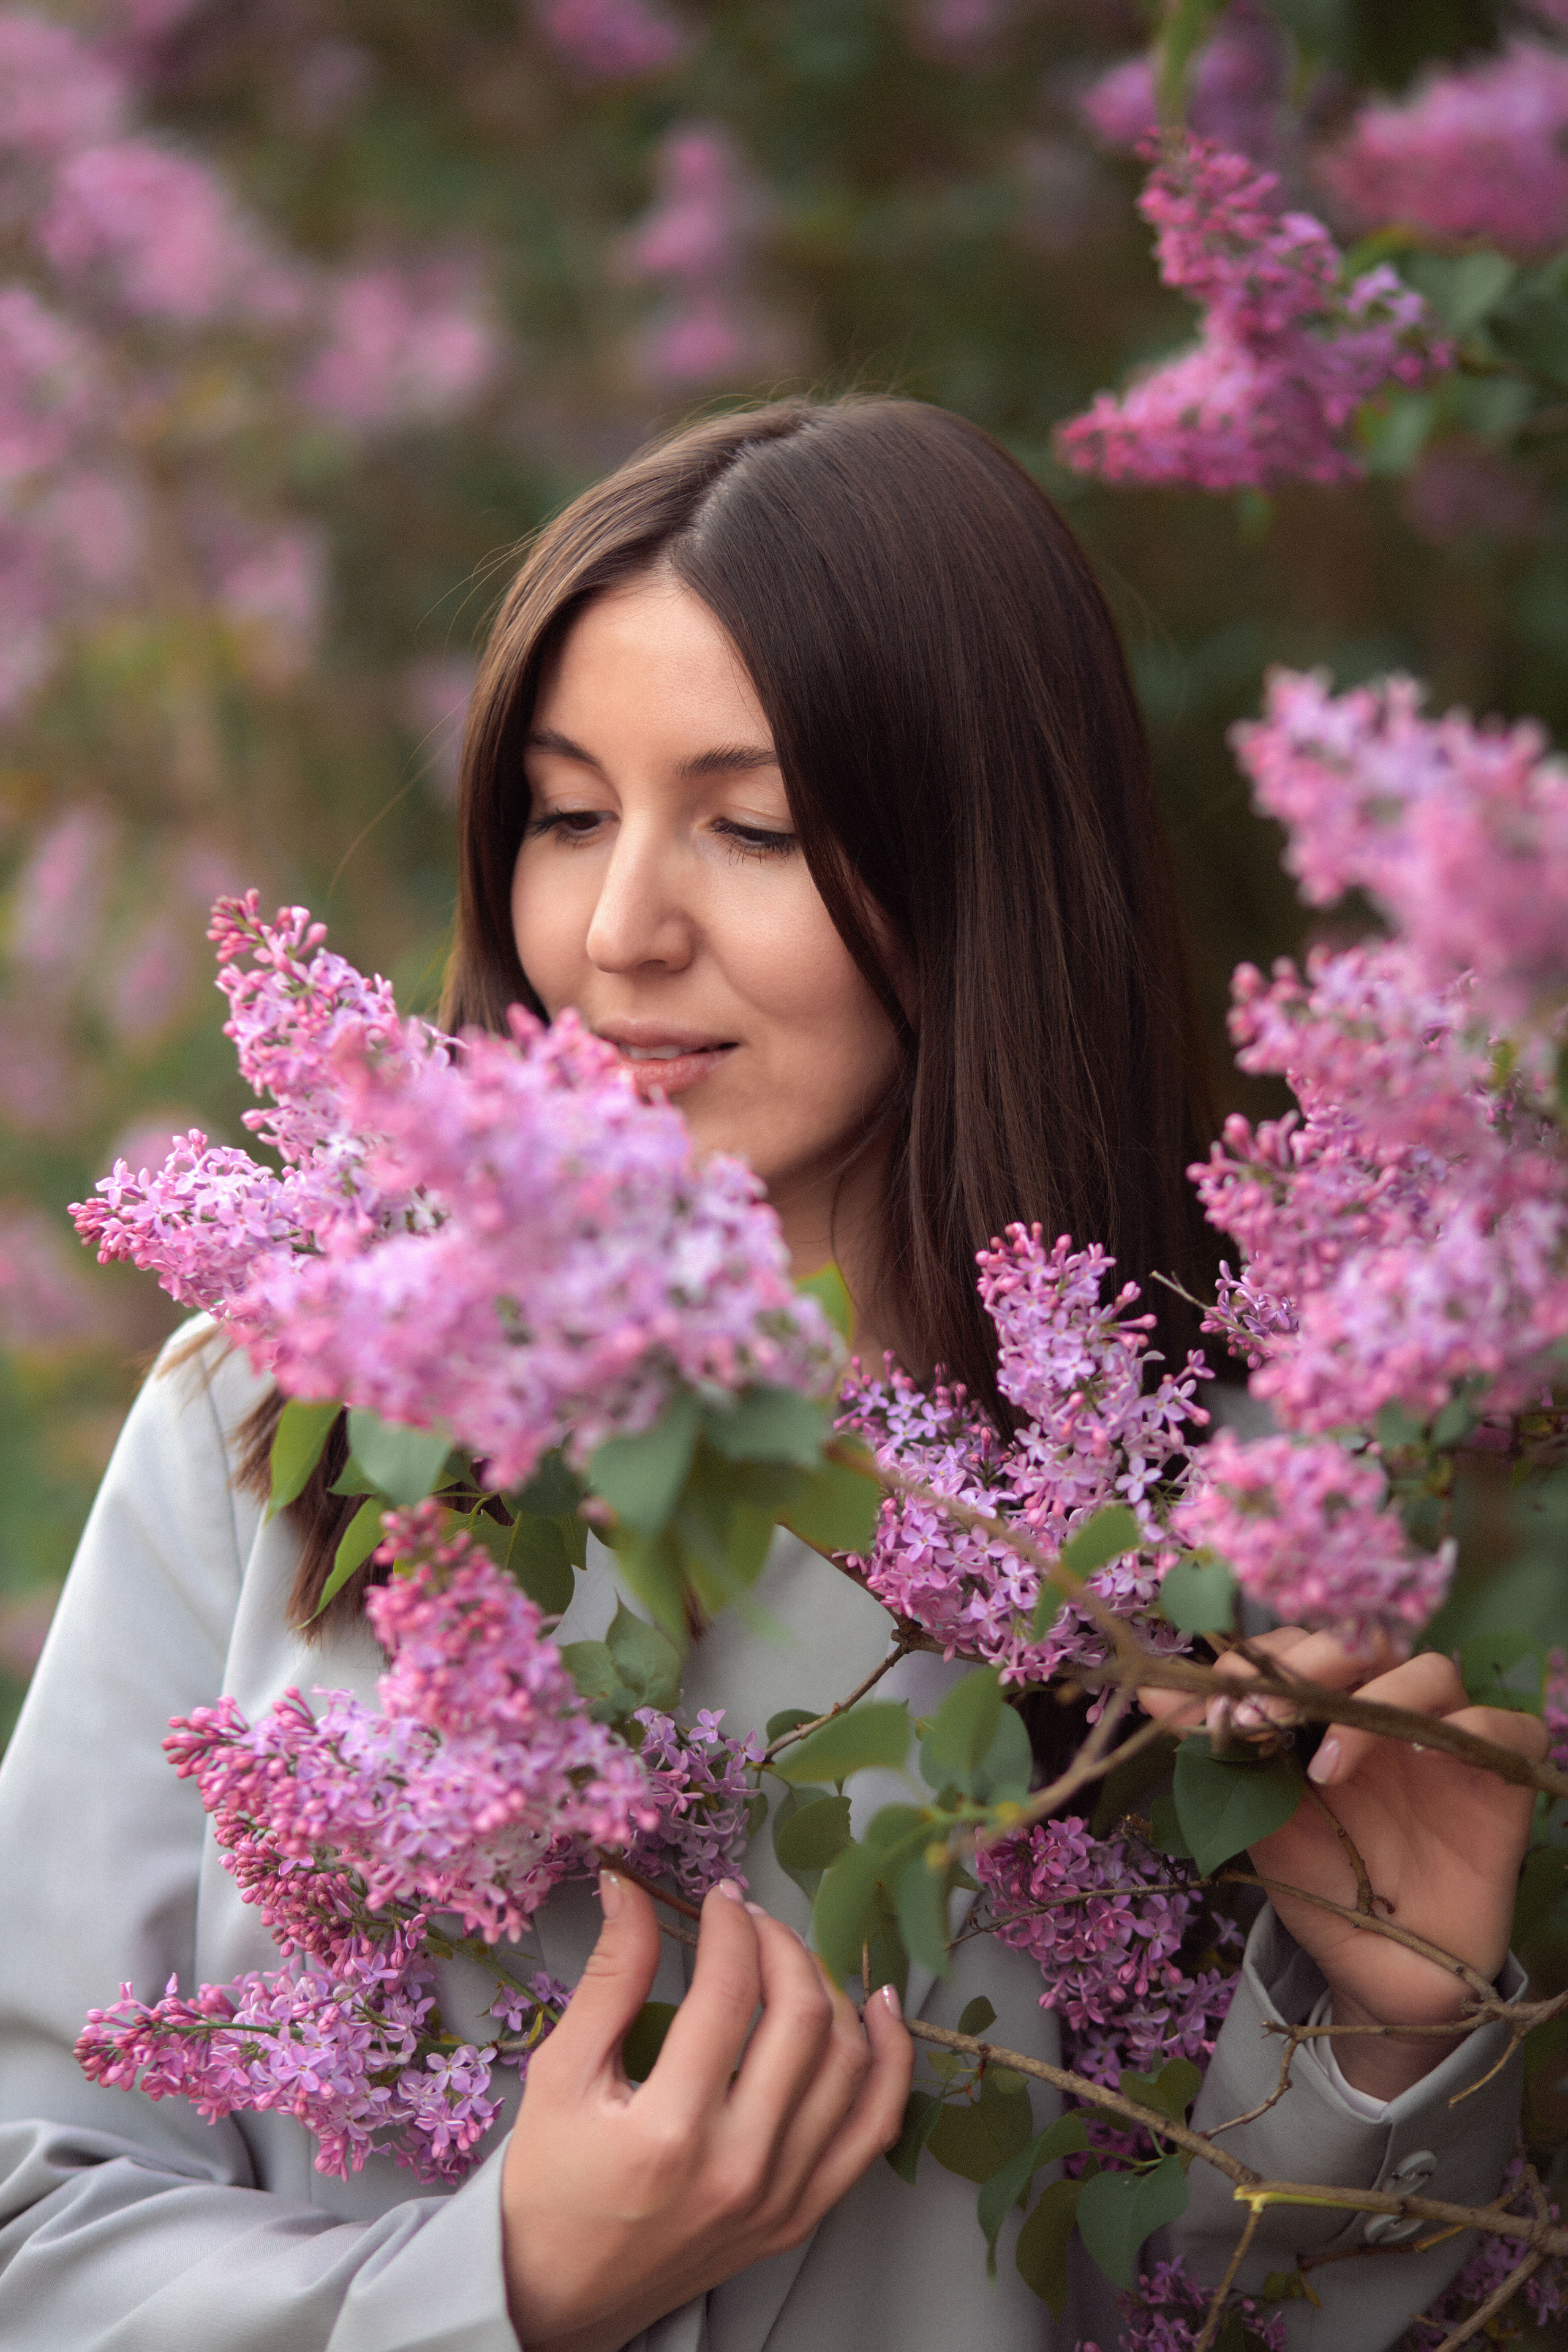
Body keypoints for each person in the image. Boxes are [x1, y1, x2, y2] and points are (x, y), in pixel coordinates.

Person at [0, 396, 1545, 2352]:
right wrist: (506, 2287)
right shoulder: (270, 1421)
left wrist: (1397, 2028)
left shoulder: (1220, 1534)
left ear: (982, 857)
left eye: (756, 829)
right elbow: (28, 2223)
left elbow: (1235, 2306)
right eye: (567, 814)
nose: (620, 931)